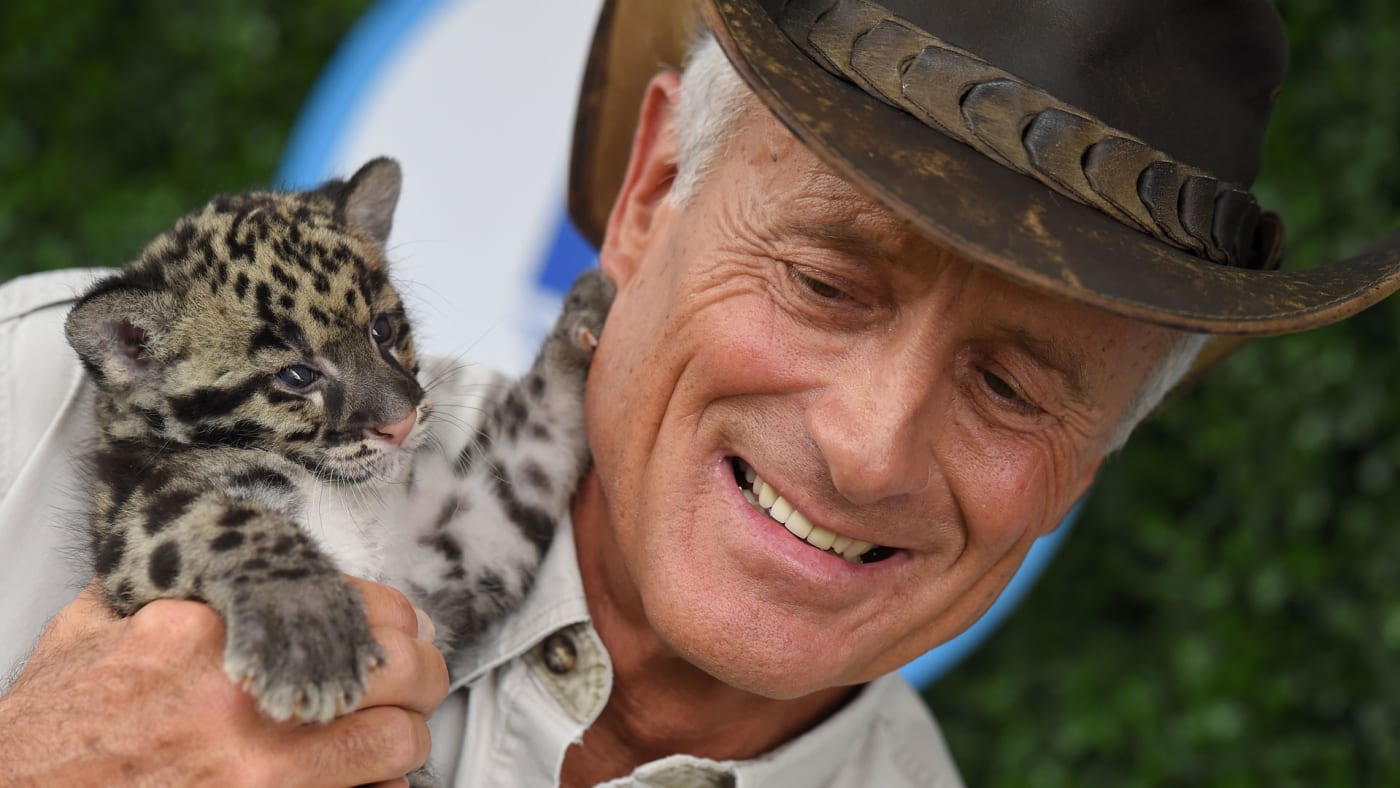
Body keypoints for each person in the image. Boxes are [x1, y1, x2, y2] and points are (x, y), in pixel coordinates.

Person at [2, 0, 1398, 785]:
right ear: (652, 192)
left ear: (1093, 459)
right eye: (826, 282)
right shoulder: (33, 407)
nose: (864, 445)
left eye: (1017, 384)